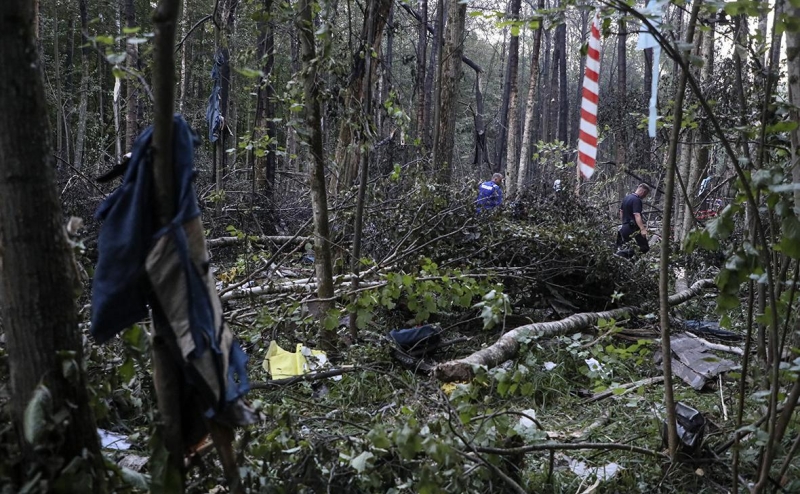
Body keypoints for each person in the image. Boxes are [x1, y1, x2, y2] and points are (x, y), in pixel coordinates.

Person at [615, 183, 651, 258]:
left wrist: (624, 222)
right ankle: (619, 255)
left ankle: (628, 263)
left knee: (632, 248)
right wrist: (642, 229)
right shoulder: (636, 200)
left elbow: (621, 211)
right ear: (643, 192)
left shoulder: (627, 198)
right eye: (645, 195)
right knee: (644, 248)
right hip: (633, 228)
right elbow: (637, 215)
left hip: (625, 228)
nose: (644, 197)